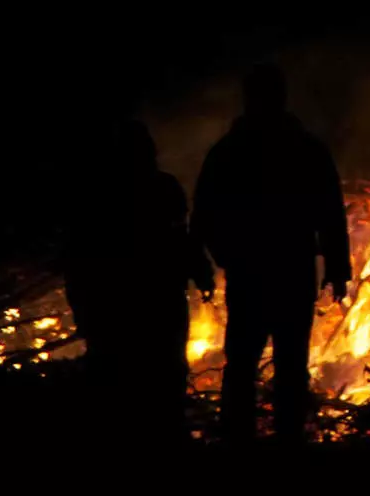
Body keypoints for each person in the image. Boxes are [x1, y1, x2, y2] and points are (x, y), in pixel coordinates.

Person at [193, 64, 350, 443]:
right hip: (287, 271)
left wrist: (217, 260)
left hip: (257, 273)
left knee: (248, 364)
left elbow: (203, 216)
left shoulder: (229, 152)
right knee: (284, 364)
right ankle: (283, 439)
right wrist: (336, 267)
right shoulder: (302, 149)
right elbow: (329, 211)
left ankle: (243, 438)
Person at [62, 119, 214, 447]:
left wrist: (200, 270)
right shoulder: (110, 195)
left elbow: (181, 237)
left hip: (149, 302)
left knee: (159, 372)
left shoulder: (128, 192)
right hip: (138, 303)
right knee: (148, 374)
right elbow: (80, 257)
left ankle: (158, 436)